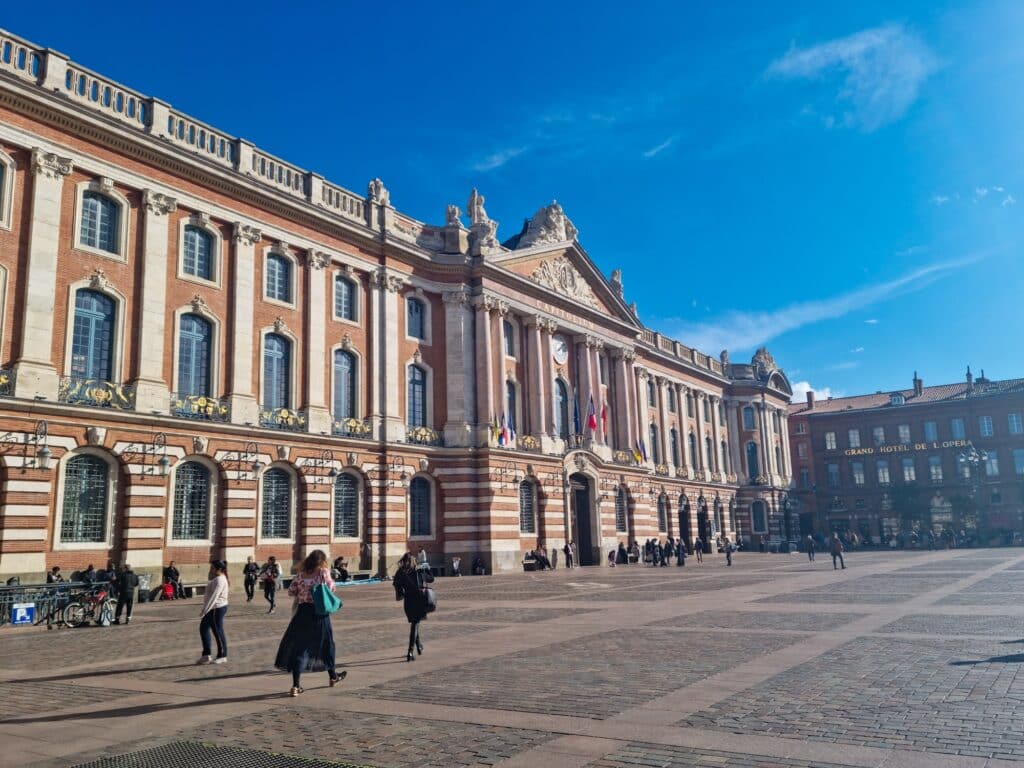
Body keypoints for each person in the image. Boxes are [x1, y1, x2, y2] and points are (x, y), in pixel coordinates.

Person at [275, 549, 345, 696]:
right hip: (319, 614)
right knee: (326, 644)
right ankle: (333, 676)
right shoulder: (323, 572)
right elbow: (332, 587)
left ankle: (296, 686)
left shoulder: (300, 575)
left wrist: (304, 591)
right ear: (321, 560)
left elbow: (291, 591)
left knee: (300, 648)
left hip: (302, 614)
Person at [394, 553, 435, 662]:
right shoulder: (418, 571)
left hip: (408, 602)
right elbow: (431, 579)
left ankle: (419, 645)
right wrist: (428, 569)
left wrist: (400, 592)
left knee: (415, 623)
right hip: (419, 601)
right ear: (413, 561)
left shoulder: (400, 572)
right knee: (415, 625)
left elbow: (396, 585)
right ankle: (410, 652)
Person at [197, 560, 229, 664]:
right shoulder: (217, 579)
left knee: (218, 631)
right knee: (203, 628)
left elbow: (214, 597)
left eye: (213, 568)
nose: (211, 570)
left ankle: (222, 655)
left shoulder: (220, 580)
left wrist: (205, 610)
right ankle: (206, 655)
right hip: (212, 608)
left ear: (219, 569)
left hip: (216, 608)